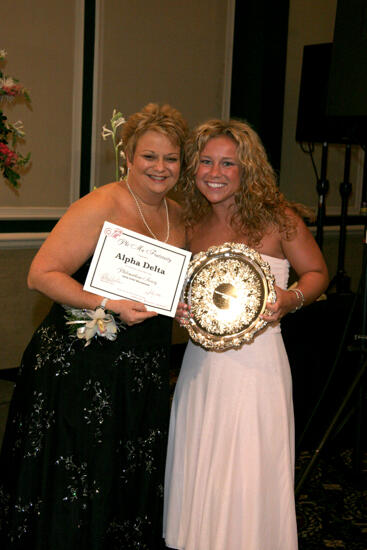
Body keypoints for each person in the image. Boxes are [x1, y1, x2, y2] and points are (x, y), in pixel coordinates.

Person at [0, 103, 188, 550]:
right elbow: (41, 274)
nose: (160, 168)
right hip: (80, 370)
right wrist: (110, 303)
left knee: (121, 479)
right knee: (77, 479)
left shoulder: (180, 216)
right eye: (149, 156)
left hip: (138, 372)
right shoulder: (101, 203)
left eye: (171, 158)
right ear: (127, 156)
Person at [163, 119, 329, 550]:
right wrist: (180, 309)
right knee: (204, 464)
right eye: (205, 161)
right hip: (201, 366)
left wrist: (290, 299)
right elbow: (184, 292)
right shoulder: (189, 224)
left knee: (248, 470)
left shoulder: (278, 219)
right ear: (193, 167)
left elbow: (317, 273)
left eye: (228, 163)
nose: (214, 172)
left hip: (257, 368)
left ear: (247, 169)